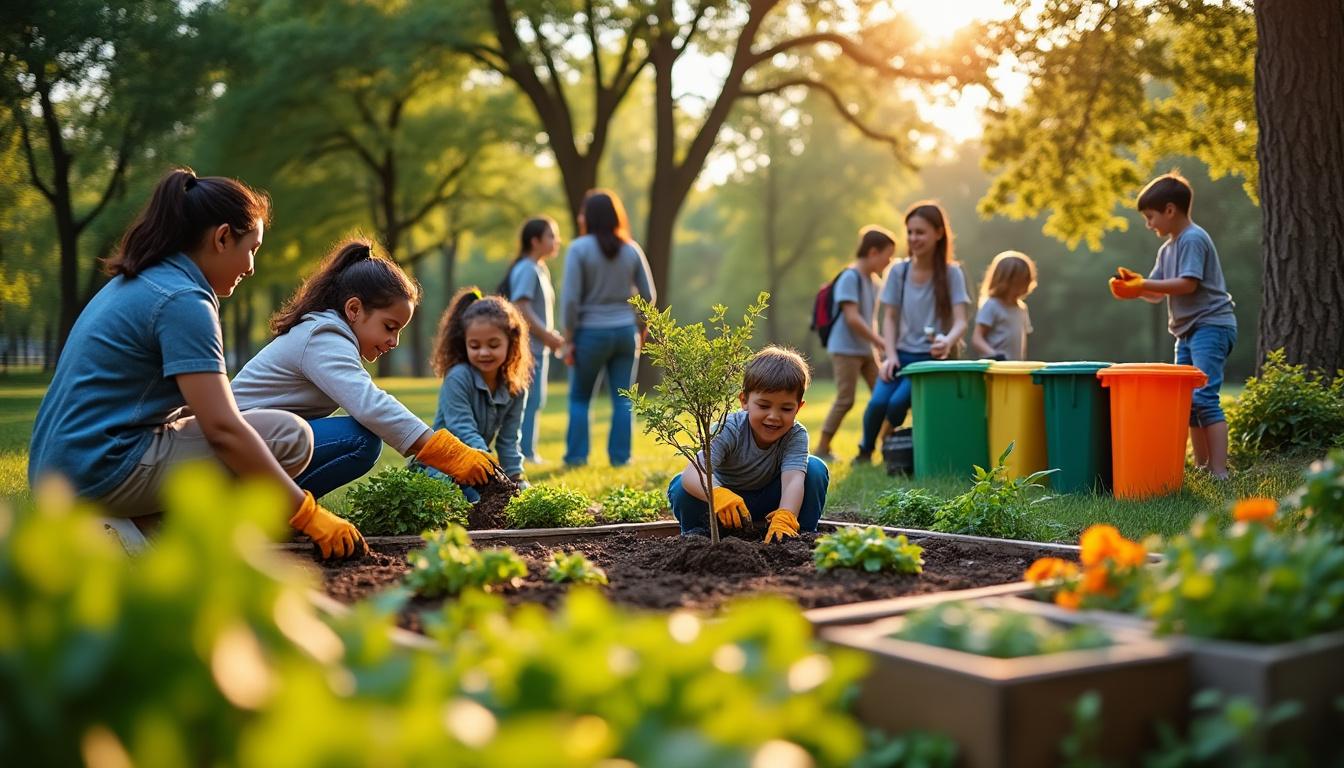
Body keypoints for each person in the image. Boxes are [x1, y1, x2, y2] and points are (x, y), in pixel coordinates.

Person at [26, 168, 361, 560]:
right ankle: (141, 537)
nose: (251, 266)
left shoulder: (139, 281)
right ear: (222, 238)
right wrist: (307, 513)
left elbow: (192, 410)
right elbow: (222, 429)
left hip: (62, 469)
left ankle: (148, 529)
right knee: (289, 437)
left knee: (261, 432)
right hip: (97, 471)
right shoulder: (184, 300)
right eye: (251, 248)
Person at [231, 238, 499, 499]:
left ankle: (275, 506)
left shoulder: (329, 336)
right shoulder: (322, 336)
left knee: (360, 436)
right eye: (389, 327)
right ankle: (275, 510)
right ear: (354, 309)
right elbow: (370, 404)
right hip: (228, 450)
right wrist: (447, 453)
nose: (394, 341)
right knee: (361, 439)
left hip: (252, 442)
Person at [1109, 171, 1237, 479]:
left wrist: (1143, 284)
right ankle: (1203, 466)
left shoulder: (1193, 239)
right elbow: (1156, 292)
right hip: (1186, 331)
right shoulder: (1167, 249)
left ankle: (1220, 470)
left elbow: (1187, 284)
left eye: (1150, 216)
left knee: (1205, 398)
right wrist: (1135, 289)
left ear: (1170, 209)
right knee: (1188, 403)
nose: (1148, 223)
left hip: (1211, 325)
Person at [667, 346, 829, 543]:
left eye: (786, 408)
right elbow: (693, 472)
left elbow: (793, 481)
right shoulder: (729, 428)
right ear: (744, 400)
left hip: (771, 503)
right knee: (681, 485)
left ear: (799, 407)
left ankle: (798, 535)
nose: (774, 416)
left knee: (815, 469)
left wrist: (786, 514)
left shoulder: (795, 435)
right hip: (726, 508)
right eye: (764, 406)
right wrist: (717, 494)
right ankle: (698, 536)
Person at [858, 202, 972, 462]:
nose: (913, 238)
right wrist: (889, 355)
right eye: (910, 232)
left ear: (939, 233)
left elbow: (961, 321)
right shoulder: (898, 270)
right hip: (899, 355)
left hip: (929, 361)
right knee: (877, 403)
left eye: (920, 232)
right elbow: (889, 318)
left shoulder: (952, 273)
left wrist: (948, 341)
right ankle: (865, 452)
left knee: (897, 404)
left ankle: (891, 441)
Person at [559, 189, 656, 467]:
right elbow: (649, 296)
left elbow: (570, 300)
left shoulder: (579, 249)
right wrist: (641, 325)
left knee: (580, 397)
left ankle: (577, 458)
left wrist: (569, 337)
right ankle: (621, 458)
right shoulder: (631, 249)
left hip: (589, 333)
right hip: (626, 332)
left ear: (587, 216)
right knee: (623, 398)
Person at [422, 287, 533, 499]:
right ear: (465, 344)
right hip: (442, 468)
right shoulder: (458, 377)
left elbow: (509, 441)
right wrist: (492, 471)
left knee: (520, 498)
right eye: (475, 345)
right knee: (474, 501)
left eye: (493, 345)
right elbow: (462, 429)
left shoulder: (515, 388)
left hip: (480, 466)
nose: (483, 352)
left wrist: (516, 479)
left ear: (511, 344)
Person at [814, 226, 897, 462]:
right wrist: (880, 341)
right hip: (845, 348)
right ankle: (822, 448)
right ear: (873, 252)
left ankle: (887, 445)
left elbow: (870, 318)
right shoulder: (849, 278)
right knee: (846, 399)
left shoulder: (874, 282)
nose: (888, 261)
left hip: (866, 349)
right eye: (887, 256)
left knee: (885, 396)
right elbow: (852, 318)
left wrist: (877, 345)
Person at [497, 217, 566, 464]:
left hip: (539, 348)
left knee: (536, 401)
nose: (556, 241)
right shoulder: (527, 268)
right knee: (526, 402)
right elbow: (521, 308)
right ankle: (523, 454)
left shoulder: (539, 269)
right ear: (535, 241)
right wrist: (548, 337)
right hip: (529, 349)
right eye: (551, 236)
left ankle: (528, 451)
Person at [972, 250, 1038, 361]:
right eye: (1017, 284)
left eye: (1024, 284)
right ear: (1003, 282)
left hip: (1016, 368)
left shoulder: (1022, 308)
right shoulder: (992, 305)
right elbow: (977, 339)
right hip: (996, 368)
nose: (1021, 289)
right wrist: (995, 355)